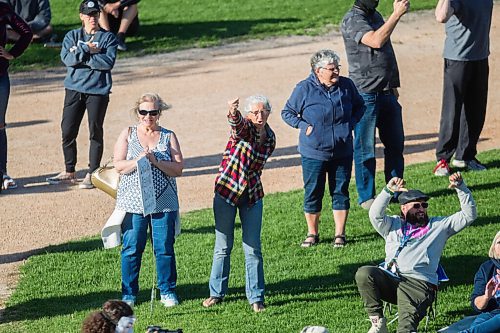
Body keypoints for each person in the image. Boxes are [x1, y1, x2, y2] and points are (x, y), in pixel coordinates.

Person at [356, 172, 477, 333]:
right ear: (403, 208)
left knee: (405, 329)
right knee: (364, 273)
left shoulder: (438, 226)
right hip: (391, 279)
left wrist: (461, 188)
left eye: (424, 205)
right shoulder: (392, 224)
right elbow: (374, 214)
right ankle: (378, 323)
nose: (421, 209)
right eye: (416, 205)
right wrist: (388, 191)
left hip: (419, 285)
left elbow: (469, 215)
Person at [281, 49, 364, 248]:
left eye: (337, 68)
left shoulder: (347, 85)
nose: (336, 72)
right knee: (313, 192)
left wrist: (350, 124)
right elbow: (287, 112)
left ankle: (340, 235)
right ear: (318, 71)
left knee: (340, 191)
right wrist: (304, 127)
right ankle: (312, 233)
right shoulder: (304, 88)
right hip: (313, 153)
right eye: (331, 69)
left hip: (342, 150)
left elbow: (360, 106)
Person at [202, 95, 276, 313]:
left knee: (253, 248)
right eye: (254, 112)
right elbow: (237, 127)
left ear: (268, 113)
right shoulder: (244, 130)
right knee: (222, 247)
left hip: (252, 194)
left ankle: (256, 297)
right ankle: (216, 294)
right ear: (248, 115)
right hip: (227, 192)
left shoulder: (270, 138)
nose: (259, 116)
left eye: (263, 111)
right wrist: (233, 112)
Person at [113, 92, 183, 308]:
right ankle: (129, 294)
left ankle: (167, 291)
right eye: (144, 112)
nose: (148, 116)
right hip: (133, 202)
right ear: (138, 113)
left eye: (153, 112)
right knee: (132, 247)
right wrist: (138, 160)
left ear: (159, 113)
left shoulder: (168, 136)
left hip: (165, 201)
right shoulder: (128, 133)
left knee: (163, 247)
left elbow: (178, 168)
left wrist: (155, 161)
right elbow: (118, 165)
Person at [341, 0, 409, 210]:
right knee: (365, 149)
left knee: (395, 145)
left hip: (387, 92)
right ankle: (366, 197)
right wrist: (396, 14)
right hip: (366, 95)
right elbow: (377, 41)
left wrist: (391, 85)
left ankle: (395, 188)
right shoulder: (353, 19)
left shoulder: (374, 14)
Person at [46, 0, 117, 189]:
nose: (92, 18)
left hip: (98, 92)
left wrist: (80, 54)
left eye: (95, 14)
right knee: (67, 130)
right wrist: (88, 49)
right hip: (74, 89)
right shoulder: (72, 36)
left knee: (95, 131)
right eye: (88, 14)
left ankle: (92, 174)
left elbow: (107, 63)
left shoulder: (108, 38)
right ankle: (69, 171)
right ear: (81, 16)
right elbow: (67, 60)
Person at [433, 0, 493, 176]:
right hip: (457, 58)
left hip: (481, 57)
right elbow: (441, 17)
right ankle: (443, 159)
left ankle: (465, 156)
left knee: (476, 111)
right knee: (452, 111)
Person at [0, 1, 32, 191]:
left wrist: (12, 53)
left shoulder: (3, 9)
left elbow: (26, 32)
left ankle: (2, 172)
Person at [458, 231, 500, 333]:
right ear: (494, 247)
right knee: (476, 329)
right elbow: (477, 305)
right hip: (489, 313)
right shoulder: (486, 268)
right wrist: (486, 296)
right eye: (499, 242)